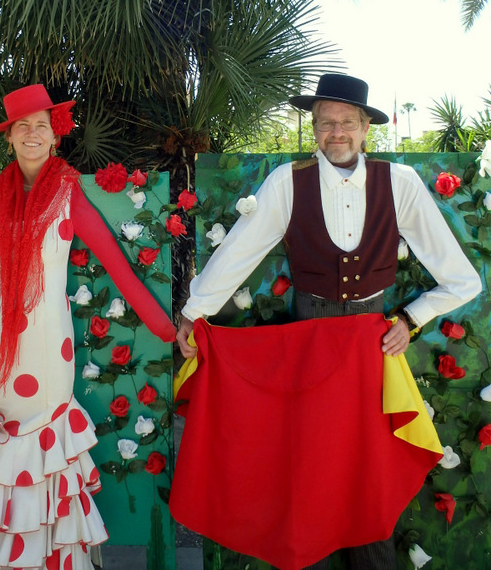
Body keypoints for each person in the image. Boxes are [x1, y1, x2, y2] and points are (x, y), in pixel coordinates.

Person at [174, 73, 481, 570]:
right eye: (325, 123)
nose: (336, 132)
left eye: (346, 122)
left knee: (366, 476)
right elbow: (238, 253)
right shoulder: (287, 183)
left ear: (365, 128)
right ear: (314, 128)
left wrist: (410, 317)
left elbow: (462, 281)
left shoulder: (398, 184)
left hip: (369, 348)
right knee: (309, 470)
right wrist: (194, 313)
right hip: (308, 342)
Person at [0, 84, 176, 570]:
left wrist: (171, 333)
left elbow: (120, 272)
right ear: (9, 139)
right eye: (21, 126)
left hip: (49, 366)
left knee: (40, 467)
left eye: (40, 126)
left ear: (55, 136)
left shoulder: (69, 198)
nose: (31, 134)